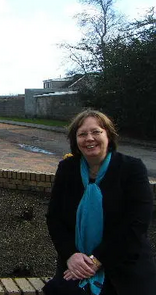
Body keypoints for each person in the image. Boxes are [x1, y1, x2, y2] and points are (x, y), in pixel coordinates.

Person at [44, 109, 156, 295]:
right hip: (76, 265)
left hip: (124, 264)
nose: (89, 138)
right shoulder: (67, 169)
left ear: (109, 136)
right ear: (76, 141)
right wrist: (70, 255)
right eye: (82, 134)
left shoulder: (132, 168)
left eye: (96, 132)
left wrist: (97, 260)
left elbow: (136, 224)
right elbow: (54, 218)